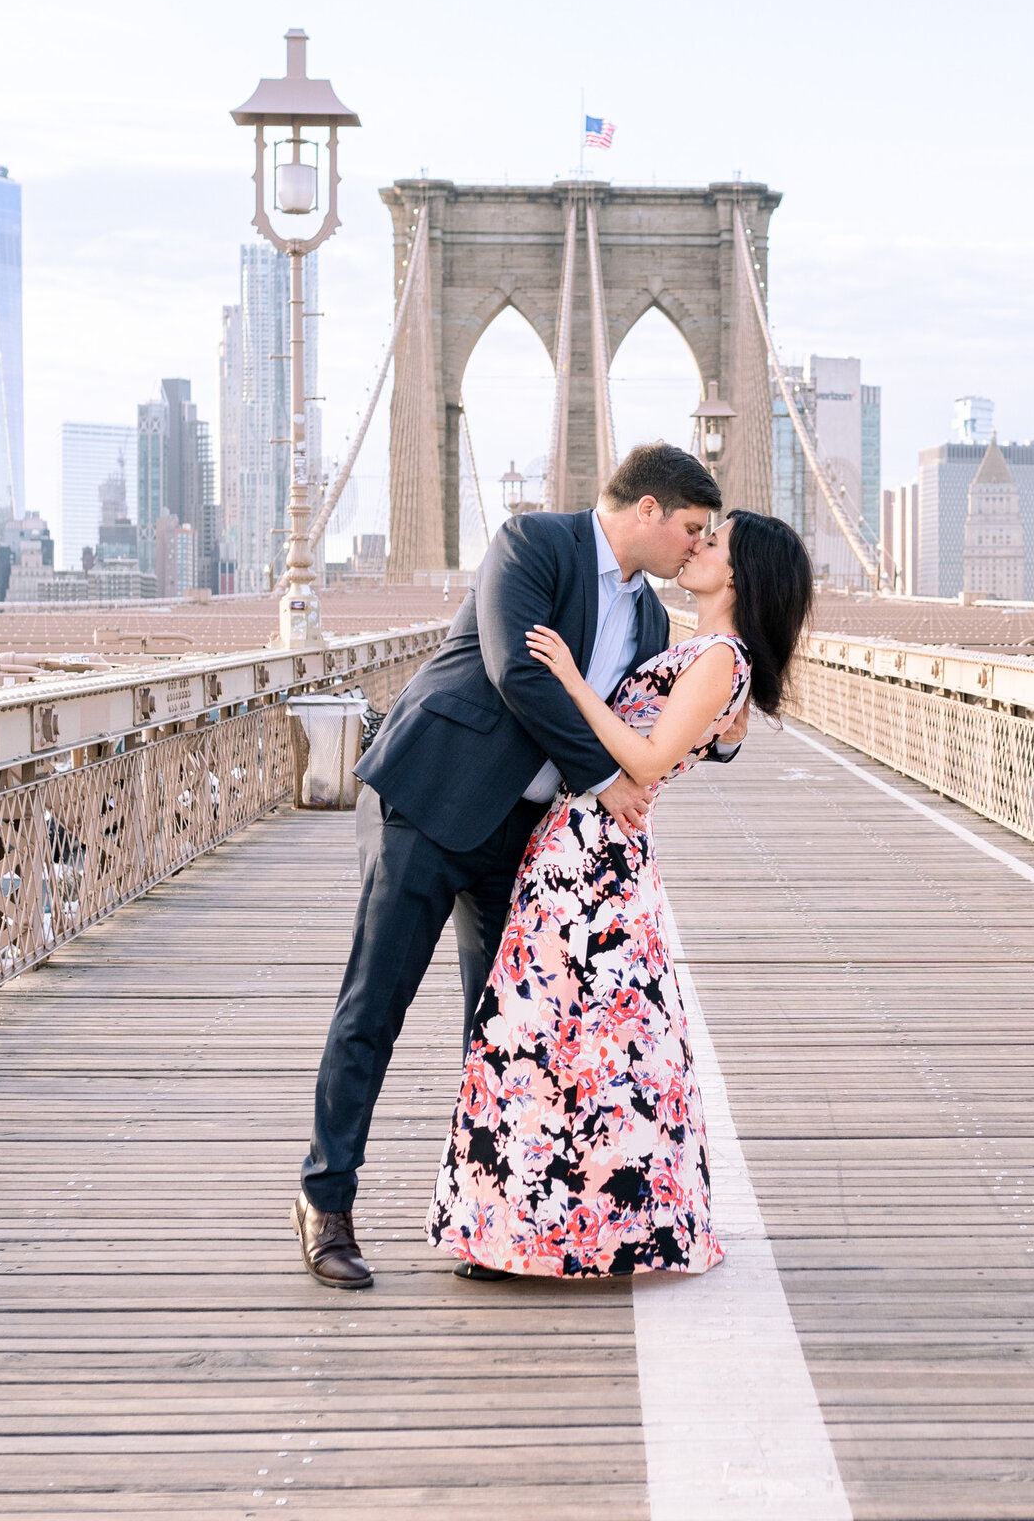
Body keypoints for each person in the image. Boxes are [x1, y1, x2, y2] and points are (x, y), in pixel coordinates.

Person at [294, 443, 738, 1289]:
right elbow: (520, 676)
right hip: (428, 803)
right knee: (373, 1007)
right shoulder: (532, 544)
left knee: (502, 1037)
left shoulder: (650, 620)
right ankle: (325, 1200)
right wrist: (609, 780)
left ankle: (488, 1220)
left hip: (523, 840)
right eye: (689, 527)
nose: (694, 544)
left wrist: (720, 723)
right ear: (647, 510)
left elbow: (654, 719)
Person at [428, 509, 813, 1278]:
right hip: (573, 848)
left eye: (715, 541)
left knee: (565, 1039)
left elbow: (644, 759)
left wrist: (569, 680)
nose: (698, 546)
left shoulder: (720, 658)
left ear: (740, 575)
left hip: (596, 863)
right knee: (555, 1039)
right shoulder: (694, 646)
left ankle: (569, 1234)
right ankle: (528, 1233)